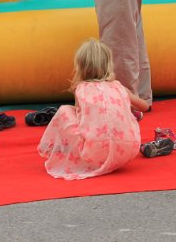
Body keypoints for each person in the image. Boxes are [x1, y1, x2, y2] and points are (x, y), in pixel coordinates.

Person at [37, 39, 148, 180]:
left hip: (95, 152)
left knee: (65, 111)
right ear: (109, 65)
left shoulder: (81, 90)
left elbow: (83, 119)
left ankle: (49, 147)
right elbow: (144, 106)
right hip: (128, 150)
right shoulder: (119, 87)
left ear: (80, 67)